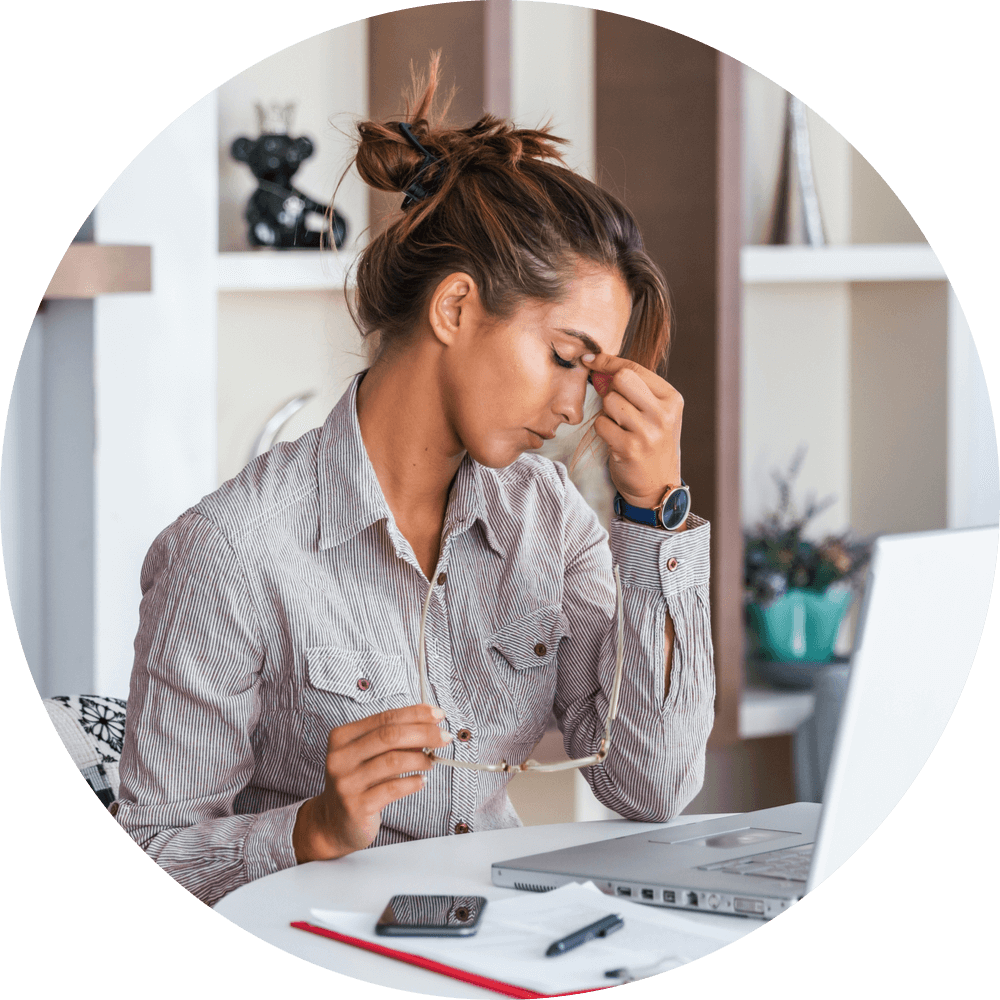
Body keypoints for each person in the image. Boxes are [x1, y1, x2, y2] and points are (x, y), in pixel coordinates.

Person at [113, 58, 715, 907]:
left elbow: (653, 788)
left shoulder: (550, 519)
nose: (576, 403)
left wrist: (656, 517)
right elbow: (156, 843)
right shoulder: (235, 548)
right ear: (456, 308)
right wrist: (309, 829)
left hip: (504, 945)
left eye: (592, 374)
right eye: (564, 357)